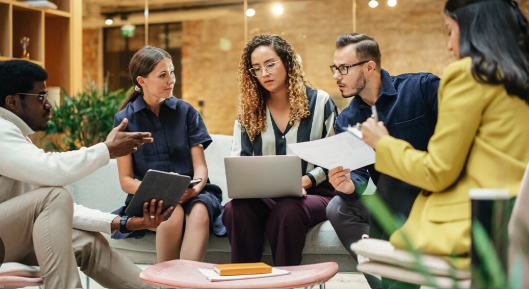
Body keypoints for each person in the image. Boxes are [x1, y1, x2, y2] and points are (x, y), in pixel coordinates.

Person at [360, 0, 529, 287]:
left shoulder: (468, 74)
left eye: (450, 31)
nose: (449, 46)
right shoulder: (518, 79)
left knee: (390, 196)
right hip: (515, 222)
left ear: (477, 30)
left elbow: (436, 172)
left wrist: (383, 143)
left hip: (475, 228)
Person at [0, 59, 173, 289]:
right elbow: (51, 171)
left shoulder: (17, 138)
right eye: (40, 97)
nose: (48, 105)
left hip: (9, 238)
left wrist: (125, 223)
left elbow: (57, 212)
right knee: (54, 195)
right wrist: (107, 149)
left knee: (88, 242)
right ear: (12, 102)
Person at [325, 33, 440, 289]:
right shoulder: (347, 119)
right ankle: (384, 279)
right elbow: (360, 175)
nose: (336, 76)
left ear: (369, 66)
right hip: (387, 202)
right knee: (337, 206)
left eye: (344, 68)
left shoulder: (421, 88)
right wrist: (350, 185)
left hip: (432, 193)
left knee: (392, 199)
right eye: (335, 68)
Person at [222, 34, 339, 266]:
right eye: (256, 68)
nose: (264, 73)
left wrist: (303, 182)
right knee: (235, 209)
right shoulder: (248, 114)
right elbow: (240, 164)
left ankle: (287, 282)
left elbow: (333, 159)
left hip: (316, 195)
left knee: (287, 209)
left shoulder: (320, 103)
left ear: (287, 62)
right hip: (264, 197)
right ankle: (245, 281)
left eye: (270, 64)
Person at [112, 45, 225, 263]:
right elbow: (126, 181)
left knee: (200, 210)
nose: (171, 80)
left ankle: (187, 284)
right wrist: (161, 192)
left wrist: (195, 188)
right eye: (162, 75)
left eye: (171, 72)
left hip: (195, 193)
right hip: (151, 198)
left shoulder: (187, 112)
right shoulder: (124, 120)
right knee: (172, 214)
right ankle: (169, 283)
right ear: (141, 81)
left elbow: (200, 167)